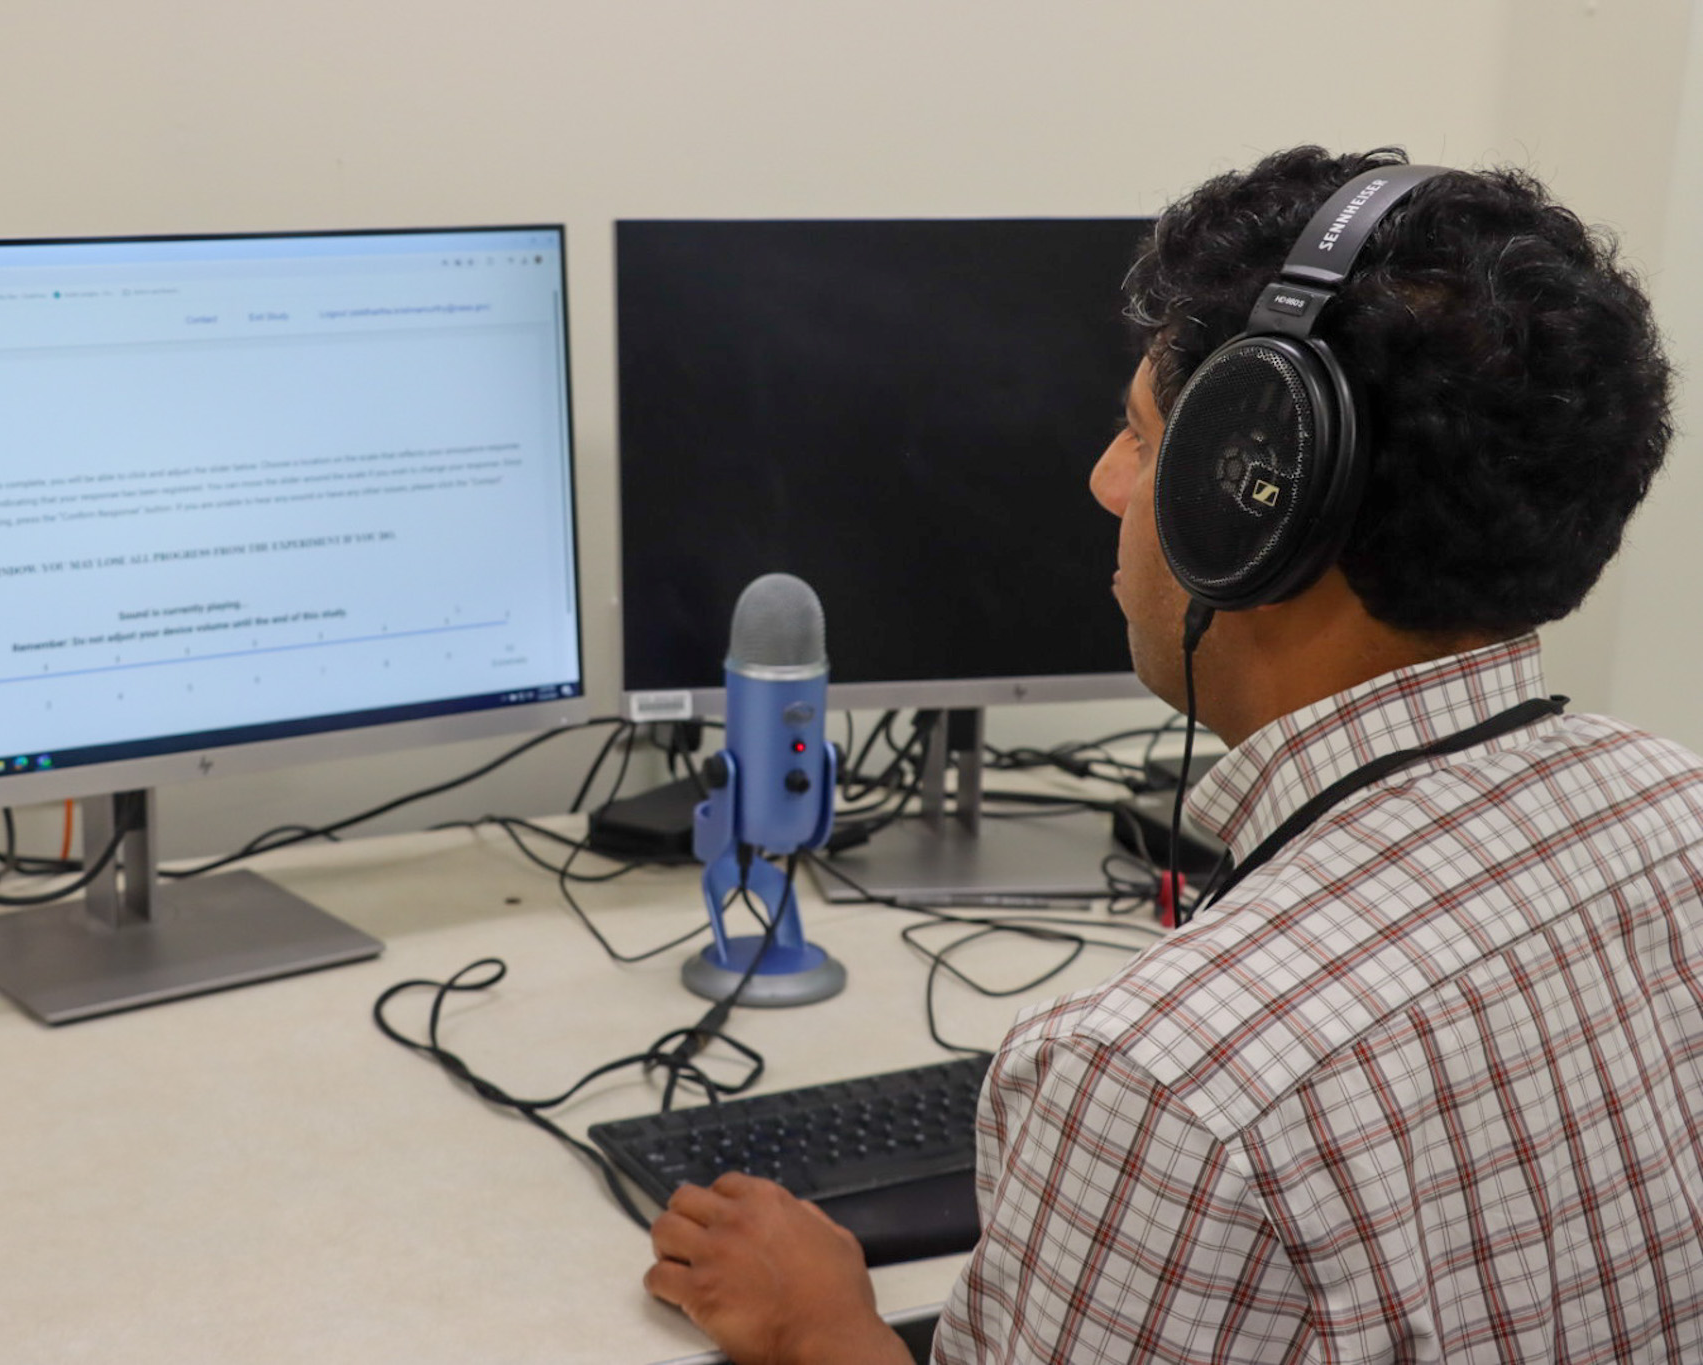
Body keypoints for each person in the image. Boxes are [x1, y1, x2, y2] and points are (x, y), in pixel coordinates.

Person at [641, 146, 1703, 1363]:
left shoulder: (1166, 1084)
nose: (1102, 482)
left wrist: (815, 1322)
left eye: (1143, 440)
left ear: (1251, 505)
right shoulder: (1671, 809)